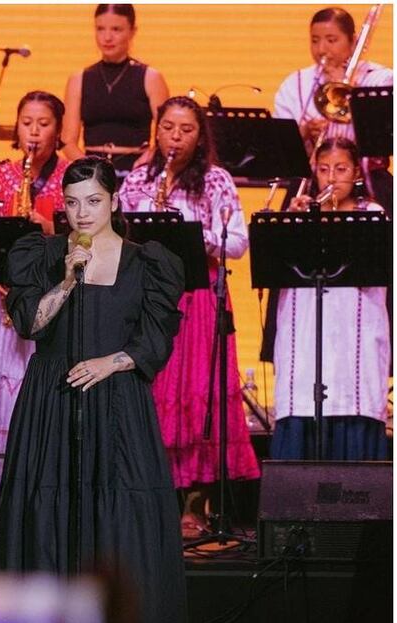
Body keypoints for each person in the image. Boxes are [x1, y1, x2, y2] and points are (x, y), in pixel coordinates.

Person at [0, 156, 188, 623]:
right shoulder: (43, 254)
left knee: (117, 505)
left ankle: (114, 619)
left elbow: (156, 339)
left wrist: (113, 362)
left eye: (94, 202)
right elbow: (30, 325)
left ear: (114, 202)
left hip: (117, 401)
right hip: (51, 401)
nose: (82, 214)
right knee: (50, 505)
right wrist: (66, 281)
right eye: (73, 203)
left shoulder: (148, 262)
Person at [118, 95, 260, 533]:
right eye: (168, 128)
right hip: (149, 298)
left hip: (199, 297)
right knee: (153, 396)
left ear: (200, 139)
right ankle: (150, 498)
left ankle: (195, 506)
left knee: (201, 398)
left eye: (186, 130)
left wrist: (198, 239)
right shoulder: (139, 179)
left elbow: (237, 241)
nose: (175, 138)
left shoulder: (215, 180)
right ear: (156, 132)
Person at [264, 137, 390, 460]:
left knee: (354, 393)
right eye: (323, 169)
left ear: (357, 174)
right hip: (306, 333)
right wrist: (290, 225)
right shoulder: (301, 213)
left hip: (355, 334)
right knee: (303, 394)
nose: (332, 178)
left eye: (341, 169)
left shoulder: (374, 214)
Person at [0, 91, 70, 454]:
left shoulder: (72, 176)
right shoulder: (0, 177)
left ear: (59, 130)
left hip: (52, 300)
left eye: (43, 124)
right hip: (3, 300)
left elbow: (92, 237)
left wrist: (51, 231)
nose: (34, 133)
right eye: (26, 124)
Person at [274, 6, 393, 216]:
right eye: (314, 40)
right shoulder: (295, 83)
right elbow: (280, 148)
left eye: (331, 40)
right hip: (312, 182)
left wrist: (350, 93)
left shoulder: (382, 79)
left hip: (370, 182)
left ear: (353, 42)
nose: (321, 49)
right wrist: (303, 133)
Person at [61, 4, 169, 174]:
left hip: (137, 172)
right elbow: (67, 141)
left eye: (116, 29)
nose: (107, 37)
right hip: (92, 173)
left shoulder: (151, 77)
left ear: (132, 31)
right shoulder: (78, 79)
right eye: (100, 29)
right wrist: (93, 170)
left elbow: (167, 135)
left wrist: (146, 161)